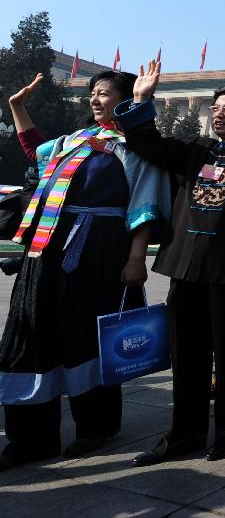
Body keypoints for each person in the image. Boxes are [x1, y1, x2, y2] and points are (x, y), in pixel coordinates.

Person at [115, 61, 225, 465]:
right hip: (187, 268)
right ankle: (184, 434)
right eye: (215, 107)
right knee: (187, 356)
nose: (218, 113)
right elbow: (145, 143)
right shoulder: (196, 152)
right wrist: (142, 99)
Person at [0, 71, 170, 469]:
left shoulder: (135, 146)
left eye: (105, 94)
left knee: (86, 337)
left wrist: (134, 258)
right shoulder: (74, 140)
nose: (95, 100)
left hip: (99, 251)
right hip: (46, 249)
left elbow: (145, 204)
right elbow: (35, 151)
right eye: (93, 94)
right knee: (31, 333)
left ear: (126, 100)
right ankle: (30, 439)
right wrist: (17, 107)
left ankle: (98, 427)